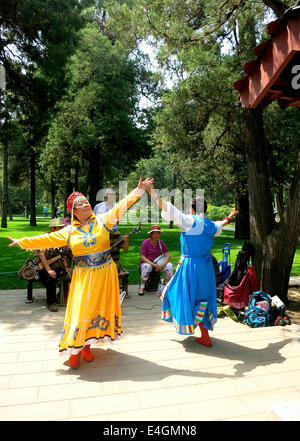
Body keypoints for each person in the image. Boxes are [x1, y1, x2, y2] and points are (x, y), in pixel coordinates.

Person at [6, 178, 153, 369]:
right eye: (80, 204)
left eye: (86, 202)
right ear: (73, 211)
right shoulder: (69, 231)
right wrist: (22, 241)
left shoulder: (103, 220)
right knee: (81, 312)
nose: (85, 205)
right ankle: (75, 349)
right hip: (83, 277)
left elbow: (121, 206)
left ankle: (87, 347)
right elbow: (46, 239)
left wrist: (138, 191)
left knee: (97, 310)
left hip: (105, 274)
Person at [147, 185, 238, 347]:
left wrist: (153, 193)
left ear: (192, 209)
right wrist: (229, 217)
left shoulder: (189, 221)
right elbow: (220, 224)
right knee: (201, 299)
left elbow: (168, 207)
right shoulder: (209, 225)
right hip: (206, 267)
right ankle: (205, 336)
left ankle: (185, 322)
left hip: (190, 267)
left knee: (175, 293)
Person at [37, 218, 73, 312]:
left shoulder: (60, 238)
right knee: (50, 277)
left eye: (62, 227)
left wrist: (66, 267)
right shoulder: (45, 238)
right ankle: (51, 302)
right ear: (52, 228)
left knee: (68, 276)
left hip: (57, 266)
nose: (61, 229)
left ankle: (62, 297)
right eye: (59, 227)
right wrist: (49, 269)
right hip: (44, 267)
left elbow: (62, 255)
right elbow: (41, 255)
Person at [139, 225, 173, 296]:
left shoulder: (161, 243)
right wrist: (153, 265)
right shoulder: (145, 242)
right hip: (148, 263)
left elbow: (167, 255)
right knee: (146, 267)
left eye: (158, 233)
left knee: (169, 266)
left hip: (159, 264)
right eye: (154, 233)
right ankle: (142, 286)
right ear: (150, 234)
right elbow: (142, 257)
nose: (156, 235)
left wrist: (163, 265)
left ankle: (168, 286)